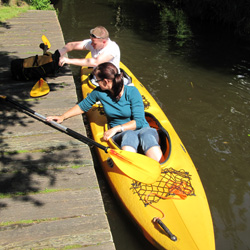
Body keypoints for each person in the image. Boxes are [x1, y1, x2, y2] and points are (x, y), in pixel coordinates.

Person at [46, 62, 163, 162]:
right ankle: (132, 165)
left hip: (140, 129)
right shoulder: (99, 92)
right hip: (122, 135)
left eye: (97, 80)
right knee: (130, 134)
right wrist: (62, 117)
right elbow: (83, 106)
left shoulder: (132, 92)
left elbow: (139, 122)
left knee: (147, 134)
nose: (96, 83)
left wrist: (116, 128)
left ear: (106, 82)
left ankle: (158, 167)